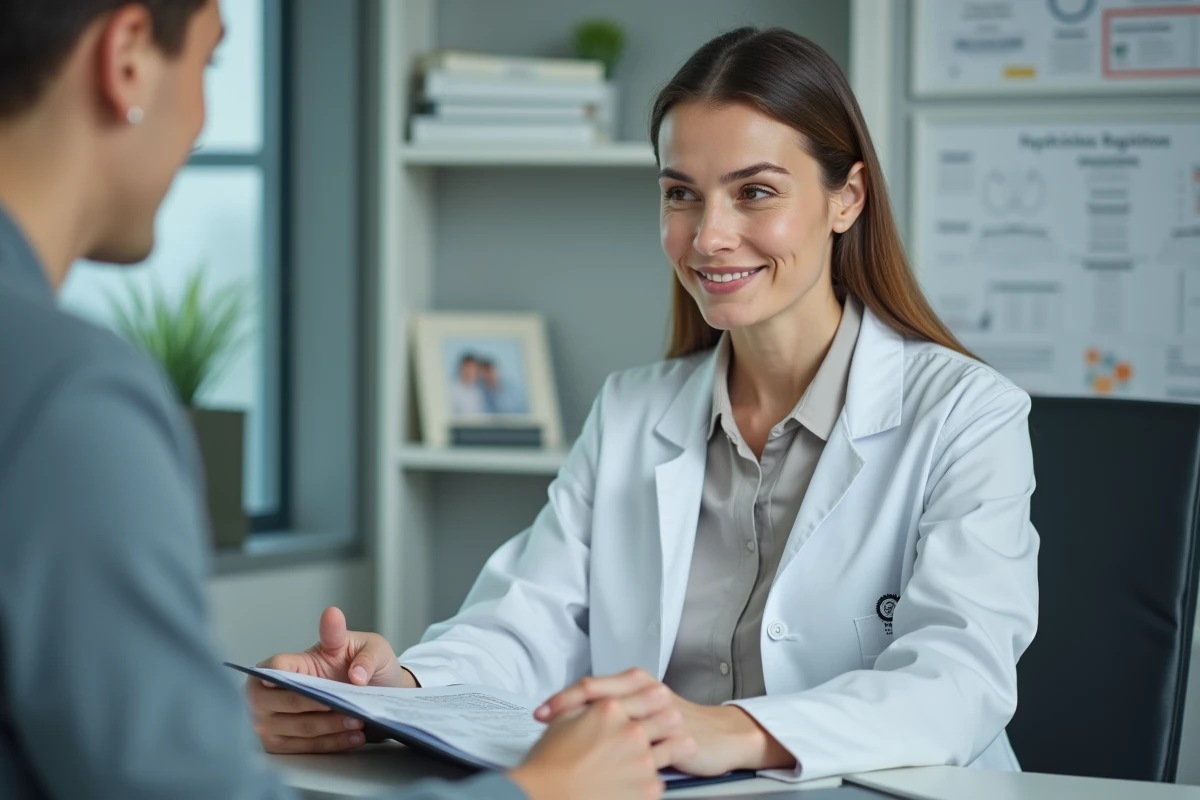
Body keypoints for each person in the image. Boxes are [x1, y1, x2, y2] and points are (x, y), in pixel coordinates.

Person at [252, 27, 1039, 783]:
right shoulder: (632, 412)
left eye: (755, 192)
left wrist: (729, 729)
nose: (708, 237)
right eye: (681, 194)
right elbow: (525, 626)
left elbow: (957, 679)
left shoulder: (968, 415)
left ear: (847, 197)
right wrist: (389, 690)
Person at [0, 2, 672, 799]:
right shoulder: (70, 399)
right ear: (128, 58)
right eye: (210, 66)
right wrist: (543, 793)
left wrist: (204, 712)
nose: (202, 125)